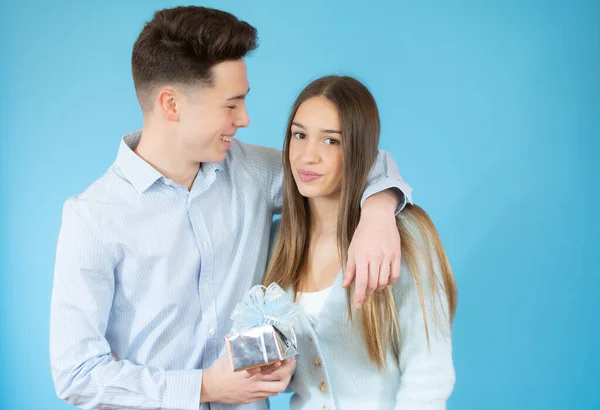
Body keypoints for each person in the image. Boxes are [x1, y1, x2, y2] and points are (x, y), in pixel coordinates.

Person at [49, 7, 413, 410]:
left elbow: (357, 161)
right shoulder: (93, 217)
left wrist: (378, 214)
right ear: (171, 104)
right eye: (231, 104)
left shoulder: (252, 172)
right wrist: (203, 387)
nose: (244, 118)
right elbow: (77, 374)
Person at [263, 75, 457, 410]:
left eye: (332, 141)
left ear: (360, 149)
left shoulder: (405, 235)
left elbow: (429, 373)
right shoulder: (276, 239)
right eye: (300, 135)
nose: (308, 156)